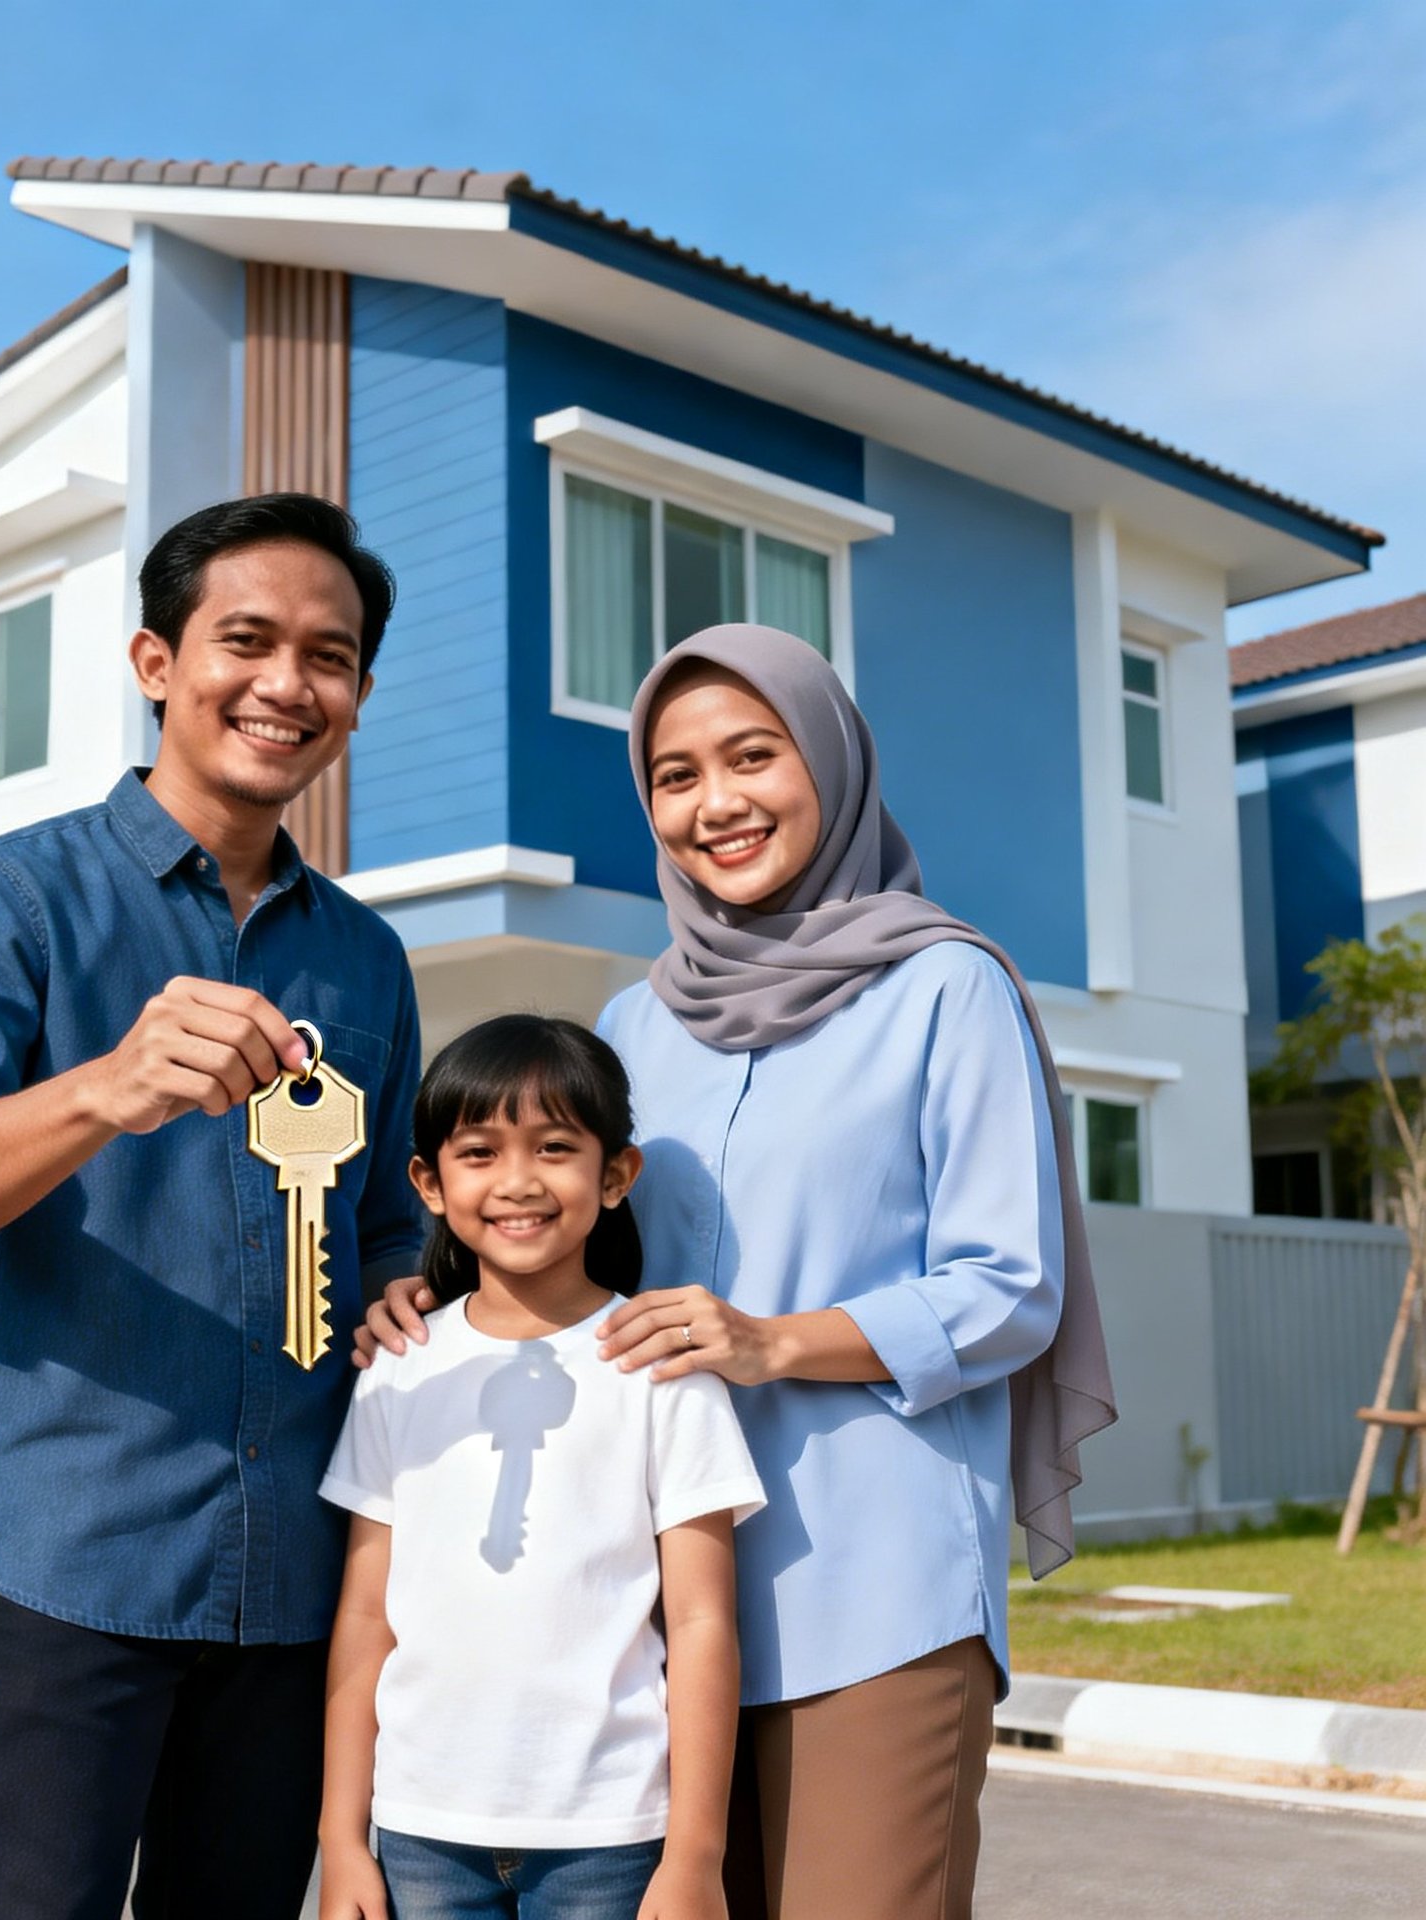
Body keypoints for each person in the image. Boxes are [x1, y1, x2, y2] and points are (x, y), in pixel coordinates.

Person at [367, 626, 1115, 1920]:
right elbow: (568, 1251)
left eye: (752, 756)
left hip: (875, 1591)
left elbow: (1008, 1286)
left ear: (828, 759)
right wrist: (432, 1293)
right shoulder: (633, 1023)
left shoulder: (947, 986)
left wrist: (773, 1342)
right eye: (673, 775)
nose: (715, 803)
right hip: (642, 1600)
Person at [0, 493, 427, 1920]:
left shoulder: (366, 960)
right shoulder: (11, 899)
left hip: (294, 1582)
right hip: (64, 1562)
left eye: (331, 656)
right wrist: (103, 1088)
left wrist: (415, 1288)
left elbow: (388, 1232)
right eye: (248, 640)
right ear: (156, 661)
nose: (289, 683)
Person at [319, 1014, 765, 1920]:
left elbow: (704, 1620)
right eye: (478, 1152)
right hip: (420, 1832)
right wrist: (340, 1839)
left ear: (615, 1176)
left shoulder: (658, 1367)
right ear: (429, 1184)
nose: (518, 1181)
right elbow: (366, 1617)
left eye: (555, 1147)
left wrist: (696, 1858)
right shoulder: (397, 1367)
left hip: (614, 1836)